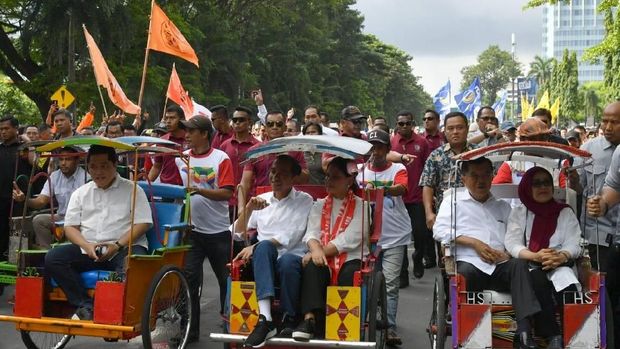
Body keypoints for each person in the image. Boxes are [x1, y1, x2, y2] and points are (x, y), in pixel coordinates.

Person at [433, 157, 544, 349]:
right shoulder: (453, 201)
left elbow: (515, 238)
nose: (481, 181)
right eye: (474, 176)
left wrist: (508, 254)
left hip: (500, 265)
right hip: (470, 263)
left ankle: (524, 333)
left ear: (492, 176)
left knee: (519, 265)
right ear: (464, 178)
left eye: (485, 175)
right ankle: (473, 332)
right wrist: (473, 243)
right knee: (465, 274)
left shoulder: (502, 206)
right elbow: (439, 230)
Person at [44, 145, 152, 320]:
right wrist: (87, 246)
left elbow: (143, 223)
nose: (98, 172)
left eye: (104, 166)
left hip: (124, 247)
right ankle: (85, 304)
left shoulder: (133, 190)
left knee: (131, 264)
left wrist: (116, 246)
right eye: (93, 166)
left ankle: (117, 311)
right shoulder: (80, 193)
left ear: (115, 165)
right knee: (53, 258)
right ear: (87, 168)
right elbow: (70, 227)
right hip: (90, 248)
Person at [233, 155, 314, 348]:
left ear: (295, 178)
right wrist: (249, 209)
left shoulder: (305, 200)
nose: (275, 177)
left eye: (283, 174)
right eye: (273, 172)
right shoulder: (261, 200)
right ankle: (265, 318)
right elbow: (236, 232)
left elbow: (291, 236)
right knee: (264, 248)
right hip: (262, 261)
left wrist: (255, 246)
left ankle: (289, 317)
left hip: (292, 259)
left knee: (283, 258)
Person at [292, 157, 369, 341]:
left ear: (349, 181)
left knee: (348, 272)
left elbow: (350, 238)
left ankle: (343, 324)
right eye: (327, 176)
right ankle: (310, 319)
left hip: (350, 256)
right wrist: (314, 249)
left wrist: (318, 252)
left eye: (335, 177)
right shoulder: (319, 204)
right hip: (323, 255)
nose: (328, 181)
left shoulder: (362, 206)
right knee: (313, 266)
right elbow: (311, 233)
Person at [504, 167, 581, 349]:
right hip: (531, 263)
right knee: (536, 279)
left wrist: (561, 256)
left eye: (546, 182)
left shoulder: (564, 212)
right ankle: (553, 335)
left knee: (567, 285)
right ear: (527, 188)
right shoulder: (520, 212)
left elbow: (574, 242)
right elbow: (512, 243)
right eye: (536, 183)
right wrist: (535, 256)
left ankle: (573, 335)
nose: (543, 187)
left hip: (560, 263)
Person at [174, 115, 235, 342]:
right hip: (192, 231)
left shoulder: (221, 158)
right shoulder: (182, 158)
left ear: (205, 134)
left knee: (223, 280)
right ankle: (189, 328)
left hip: (218, 231)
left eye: (191, 131)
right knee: (188, 279)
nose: (187, 135)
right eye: (186, 131)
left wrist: (199, 191)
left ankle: (228, 326)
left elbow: (228, 193)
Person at [356, 129, 410, 346]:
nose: (375, 151)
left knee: (390, 283)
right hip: (368, 238)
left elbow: (401, 188)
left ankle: (389, 326)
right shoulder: (359, 173)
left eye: (379, 147)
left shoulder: (398, 168)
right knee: (366, 283)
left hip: (395, 236)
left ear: (388, 149)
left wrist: (378, 188)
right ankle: (363, 324)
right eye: (372, 146)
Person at [419, 111, 476, 264]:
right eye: (450, 128)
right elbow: (427, 185)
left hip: (475, 215)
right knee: (447, 261)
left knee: (472, 256)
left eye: (459, 127)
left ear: (467, 128)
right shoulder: (436, 156)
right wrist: (429, 213)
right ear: (445, 130)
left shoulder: (478, 154)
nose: (455, 132)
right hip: (446, 217)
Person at [585, 103, 620, 348]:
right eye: (605, 121)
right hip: (606, 240)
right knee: (609, 302)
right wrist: (603, 204)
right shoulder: (590, 151)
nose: (608, 127)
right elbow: (613, 188)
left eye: (615, 122)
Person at [12, 147, 87, 249]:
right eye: (61, 160)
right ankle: (46, 252)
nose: (63, 163)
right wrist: (24, 199)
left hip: (80, 219)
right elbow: (41, 201)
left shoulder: (85, 177)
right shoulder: (54, 176)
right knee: (39, 220)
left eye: (68, 159)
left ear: (77, 161)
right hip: (61, 217)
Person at [391, 111, 430, 283]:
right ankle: (403, 274)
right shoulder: (392, 143)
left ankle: (418, 256)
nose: (404, 126)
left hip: (417, 197)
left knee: (420, 233)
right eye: (401, 124)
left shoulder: (422, 142)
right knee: (400, 237)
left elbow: (428, 169)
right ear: (397, 125)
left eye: (407, 123)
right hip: (397, 198)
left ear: (412, 124)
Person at [240, 110, 309, 199]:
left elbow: (305, 179)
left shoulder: (295, 149)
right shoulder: (255, 151)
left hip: (289, 200)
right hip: (261, 201)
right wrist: (242, 208)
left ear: (284, 127)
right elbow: (245, 183)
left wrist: (290, 162)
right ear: (265, 127)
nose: (274, 127)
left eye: (279, 124)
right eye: (270, 124)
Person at [0, 116, 32, 261]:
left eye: (6, 128)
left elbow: (37, 164)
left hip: (18, 199)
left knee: (18, 235)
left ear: (15, 129)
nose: (3, 132)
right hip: (1, 199)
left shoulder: (24, 149)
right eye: (1, 129)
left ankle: (18, 265)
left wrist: (29, 143)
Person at [219, 106, 260, 220]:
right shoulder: (224, 145)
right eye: (235, 120)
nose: (237, 123)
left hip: (250, 201)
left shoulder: (258, 147)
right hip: (227, 201)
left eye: (241, 120)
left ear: (249, 122)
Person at [148, 105, 186, 185]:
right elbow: (156, 166)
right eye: (166, 118)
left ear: (182, 120)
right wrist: (146, 186)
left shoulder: (190, 139)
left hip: (187, 189)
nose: (168, 121)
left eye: (172, 118)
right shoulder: (162, 141)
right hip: (167, 189)